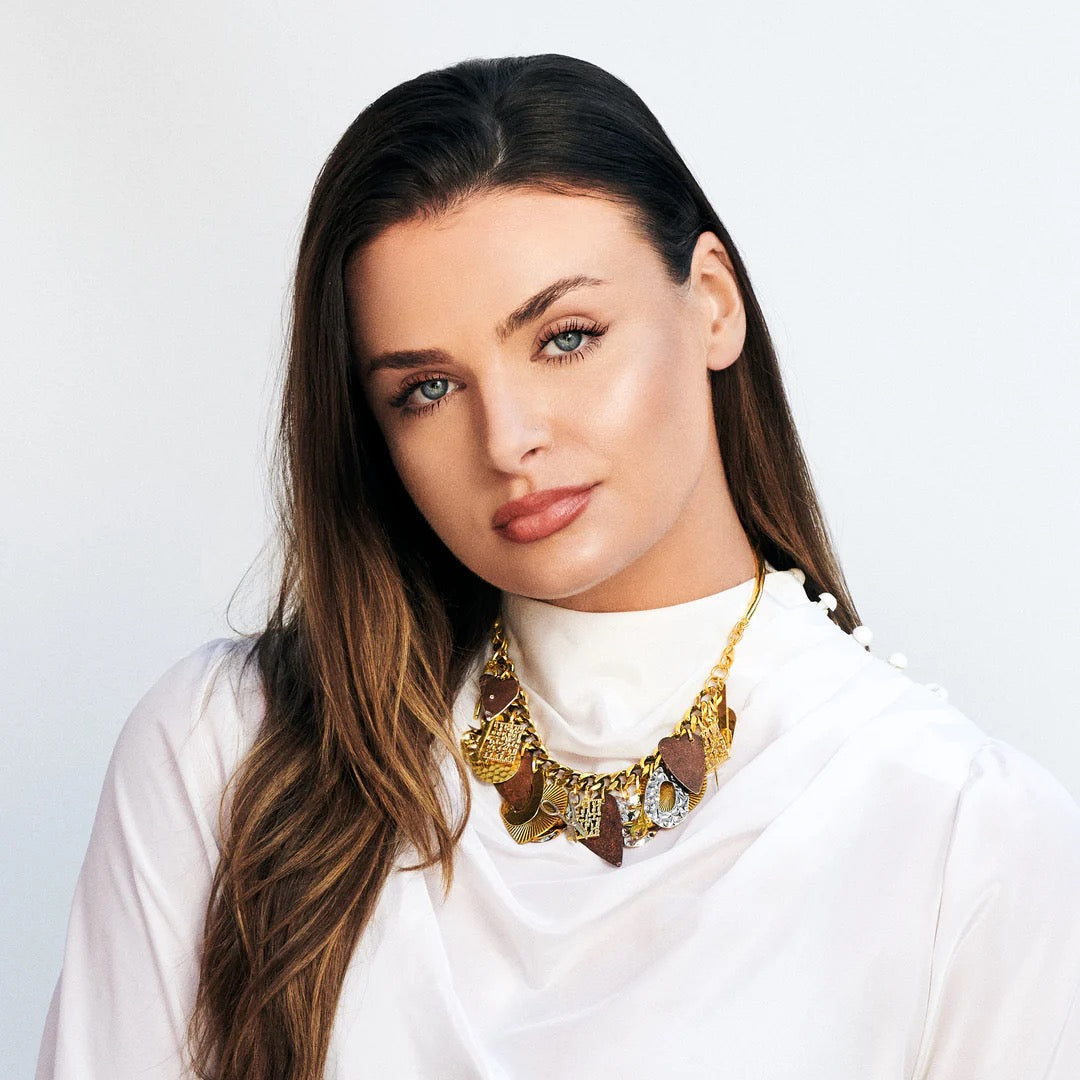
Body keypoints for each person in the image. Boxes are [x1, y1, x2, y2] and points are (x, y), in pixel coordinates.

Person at [37, 53, 1080, 1080]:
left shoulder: (962, 837)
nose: (508, 438)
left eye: (566, 337)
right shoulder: (235, 749)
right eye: (427, 390)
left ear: (712, 303)